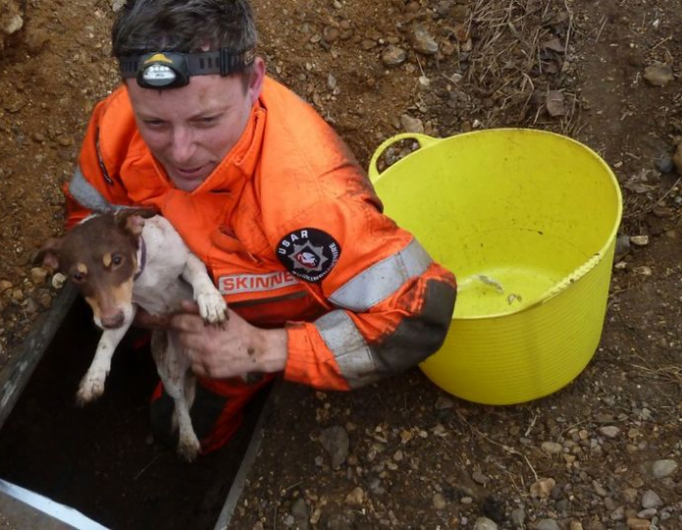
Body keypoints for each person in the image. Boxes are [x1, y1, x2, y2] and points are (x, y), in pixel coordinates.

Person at [63, 0, 457, 455]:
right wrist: (146, 306)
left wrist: (266, 350)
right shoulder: (116, 126)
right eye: (155, 123)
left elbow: (421, 314)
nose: (181, 150)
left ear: (254, 83)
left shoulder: (312, 203)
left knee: (174, 431)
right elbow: (83, 217)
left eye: (206, 120)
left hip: (251, 331)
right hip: (159, 296)